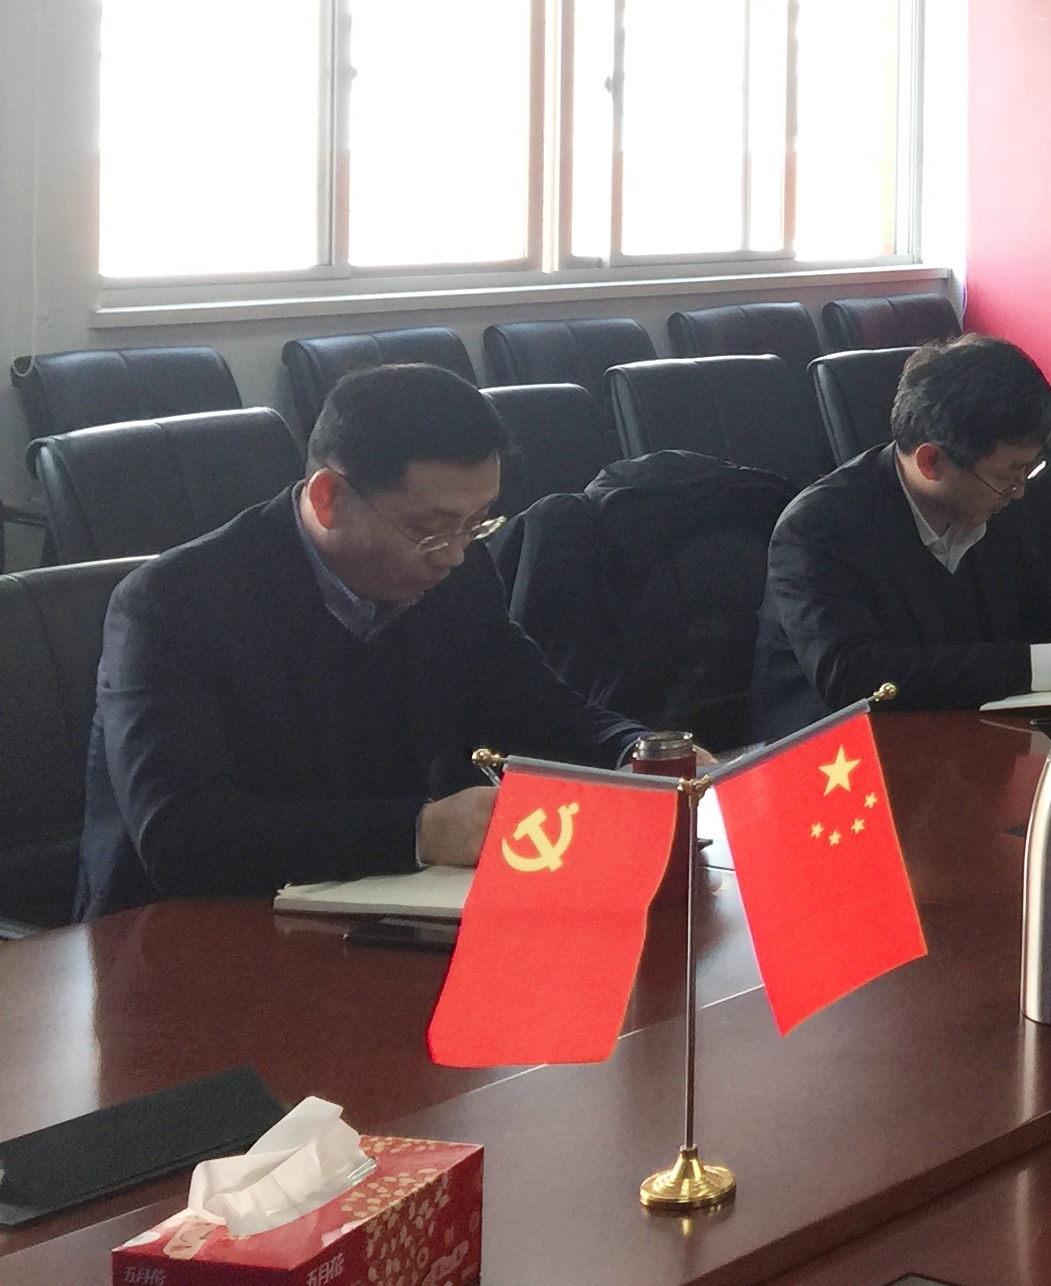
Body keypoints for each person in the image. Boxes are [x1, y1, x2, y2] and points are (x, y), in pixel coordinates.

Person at [73, 365, 650, 918]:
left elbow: (535, 706)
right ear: (328, 497)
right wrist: (420, 831)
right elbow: (184, 838)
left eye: (476, 523)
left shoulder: (460, 573)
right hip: (183, 936)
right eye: (429, 530)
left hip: (378, 909)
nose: (454, 554)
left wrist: (637, 752)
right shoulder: (173, 605)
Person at [752, 335, 1051, 740]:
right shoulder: (817, 529)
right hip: (837, 754)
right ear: (931, 461)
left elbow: (1029, 585)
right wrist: (1036, 667)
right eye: (1007, 476)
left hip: (964, 732)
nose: (1018, 491)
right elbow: (852, 677)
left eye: (1026, 471)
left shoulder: (989, 491)